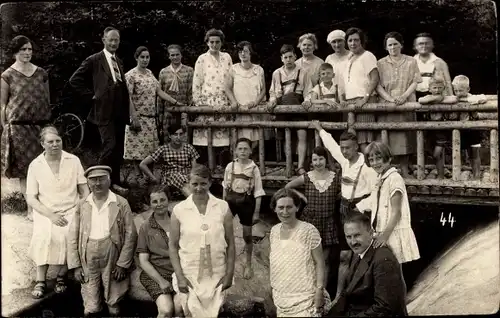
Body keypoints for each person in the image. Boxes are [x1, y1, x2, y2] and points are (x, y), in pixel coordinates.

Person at [312, 120, 377, 297]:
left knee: (355, 255)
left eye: (348, 148)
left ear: (356, 146)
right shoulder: (343, 159)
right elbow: (331, 146)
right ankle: (337, 296)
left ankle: (356, 293)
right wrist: (320, 129)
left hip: (359, 211)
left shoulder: (367, 167)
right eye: (343, 148)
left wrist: (361, 206)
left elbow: (376, 193)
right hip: (343, 209)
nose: (344, 151)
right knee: (343, 256)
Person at [26, 126, 90, 298]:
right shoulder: (35, 165)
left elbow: (85, 191)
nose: (55, 144)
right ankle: (41, 280)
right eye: (50, 142)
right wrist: (50, 215)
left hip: (71, 209)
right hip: (45, 211)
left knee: (67, 235)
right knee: (43, 235)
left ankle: (61, 277)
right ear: (42, 144)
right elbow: (31, 198)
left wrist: (78, 209)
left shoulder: (73, 160)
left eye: (58, 141)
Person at [67, 165, 138, 317]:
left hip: (112, 254)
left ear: (109, 181)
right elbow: (72, 235)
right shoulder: (82, 204)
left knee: (114, 297)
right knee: (91, 299)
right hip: (88, 255)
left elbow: (131, 234)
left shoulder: (120, 202)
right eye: (93, 180)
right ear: (88, 183)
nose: (97, 184)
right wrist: (76, 265)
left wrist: (122, 263)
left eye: (101, 179)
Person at [69, 26, 130, 196]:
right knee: (109, 145)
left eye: (116, 40)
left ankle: (114, 184)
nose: (113, 43)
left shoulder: (119, 61)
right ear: (103, 40)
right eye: (110, 40)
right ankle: (96, 182)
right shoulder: (94, 59)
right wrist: (91, 96)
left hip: (119, 112)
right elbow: (75, 80)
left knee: (118, 149)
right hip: (103, 112)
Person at [169, 164, 235, 317]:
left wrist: (229, 275)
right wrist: (180, 277)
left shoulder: (222, 207)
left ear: (210, 183)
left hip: (217, 274)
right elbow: (172, 246)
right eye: (195, 184)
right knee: (190, 311)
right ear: (188, 184)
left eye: (203, 183)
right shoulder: (179, 210)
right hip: (189, 274)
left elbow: (231, 244)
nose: (199, 188)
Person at [1, 35, 51, 221]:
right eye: (23, 49)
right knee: (26, 171)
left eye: (29, 49)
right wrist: (6, 128)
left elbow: (47, 100)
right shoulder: (7, 76)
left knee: (44, 167)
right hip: (19, 129)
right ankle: (31, 210)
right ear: (15, 52)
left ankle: (45, 206)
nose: (27, 53)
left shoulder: (42, 73)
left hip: (40, 127)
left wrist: (48, 125)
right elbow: (3, 105)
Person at [284, 146, 342, 297]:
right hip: (311, 222)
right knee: (309, 258)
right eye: (315, 159)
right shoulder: (307, 177)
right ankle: (308, 288)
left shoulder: (335, 178)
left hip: (328, 222)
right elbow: (288, 187)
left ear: (326, 160)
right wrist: (302, 197)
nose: (318, 163)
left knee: (326, 259)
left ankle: (323, 291)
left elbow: (343, 192)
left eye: (321, 159)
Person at [326, 213, 408, 316]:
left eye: (357, 235)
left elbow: (384, 308)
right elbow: (348, 293)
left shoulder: (383, 260)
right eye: (348, 237)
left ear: (370, 233)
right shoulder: (361, 250)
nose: (353, 242)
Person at [269, 188, 332, 317]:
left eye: (289, 207)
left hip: (305, 298)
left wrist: (319, 291)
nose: (285, 212)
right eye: (281, 207)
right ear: (274, 209)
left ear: (297, 208)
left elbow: (320, 262)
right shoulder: (274, 231)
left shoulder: (309, 231)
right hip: (281, 297)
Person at [358, 141, 420, 267]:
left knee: (394, 267)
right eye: (371, 160)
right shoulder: (381, 178)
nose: (375, 163)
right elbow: (375, 200)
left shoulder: (395, 179)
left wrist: (384, 236)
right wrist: (358, 207)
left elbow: (396, 212)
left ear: (388, 158)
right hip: (380, 230)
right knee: (386, 267)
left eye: (378, 158)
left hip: (391, 232)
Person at [124, 46, 180, 170]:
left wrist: (174, 101)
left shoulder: (149, 73)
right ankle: (138, 179)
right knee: (137, 153)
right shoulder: (131, 75)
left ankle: (149, 179)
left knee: (150, 151)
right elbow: (127, 98)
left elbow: (159, 91)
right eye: (142, 57)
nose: (145, 60)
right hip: (138, 117)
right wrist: (133, 117)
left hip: (150, 119)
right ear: (136, 58)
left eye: (147, 57)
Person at [376, 31, 422, 178]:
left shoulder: (411, 61)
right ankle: (387, 170)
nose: (393, 47)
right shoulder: (380, 63)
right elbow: (376, 85)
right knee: (387, 138)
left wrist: (404, 96)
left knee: (405, 138)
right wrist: (389, 99)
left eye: (395, 43)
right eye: (390, 44)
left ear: (401, 44)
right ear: (386, 47)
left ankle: (405, 170)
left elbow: (415, 81)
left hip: (406, 101)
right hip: (387, 104)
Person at [222, 137, 265, 279]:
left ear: (250, 151)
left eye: (245, 148)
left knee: (247, 235)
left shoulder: (253, 168)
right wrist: (222, 206)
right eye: (240, 148)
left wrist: (256, 213)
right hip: (231, 201)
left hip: (246, 202)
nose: (243, 151)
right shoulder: (230, 166)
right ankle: (226, 264)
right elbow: (224, 187)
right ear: (235, 151)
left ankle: (248, 264)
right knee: (224, 233)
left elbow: (258, 191)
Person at [267, 44, 313, 175]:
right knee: (286, 136)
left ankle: (300, 166)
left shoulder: (303, 72)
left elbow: (308, 90)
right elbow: (273, 92)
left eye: (290, 57)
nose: (288, 59)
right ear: (282, 59)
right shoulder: (277, 73)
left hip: (297, 104)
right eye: (285, 57)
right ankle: (289, 164)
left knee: (301, 134)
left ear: (295, 57)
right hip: (282, 105)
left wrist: (307, 100)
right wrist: (272, 101)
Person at [137, 185, 182, 318]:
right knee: (166, 310)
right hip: (157, 274)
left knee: (181, 308)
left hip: (180, 273)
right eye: (154, 201)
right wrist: (161, 281)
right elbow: (143, 261)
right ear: (149, 204)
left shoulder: (179, 221)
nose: (159, 204)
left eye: (162, 200)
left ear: (169, 200)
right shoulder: (146, 227)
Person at [192, 28, 233, 167]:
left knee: (222, 139)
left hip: (223, 101)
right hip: (207, 102)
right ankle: (207, 169)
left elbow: (231, 80)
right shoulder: (202, 59)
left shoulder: (227, 57)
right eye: (212, 42)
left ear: (221, 42)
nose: (214, 45)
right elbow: (196, 82)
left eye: (217, 42)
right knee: (207, 138)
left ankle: (221, 169)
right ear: (207, 43)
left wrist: (231, 100)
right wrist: (199, 104)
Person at [339, 27, 380, 153]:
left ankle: (370, 170)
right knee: (353, 139)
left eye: (356, 40)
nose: (353, 43)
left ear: (361, 41)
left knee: (364, 140)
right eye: (350, 40)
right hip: (350, 102)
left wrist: (365, 98)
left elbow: (375, 78)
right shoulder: (348, 59)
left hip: (364, 100)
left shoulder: (367, 56)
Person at [225, 41, 266, 149]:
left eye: (245, 51)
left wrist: (255, 103)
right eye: (240, 52)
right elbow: (227, 88)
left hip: (254, 109)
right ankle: (238, 161)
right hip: (240, 109)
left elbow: (263, 90)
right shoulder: (233, 69)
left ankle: (252, 161)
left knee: (256, 140)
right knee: (240, 140)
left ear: (250, 53)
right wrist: (234, 102)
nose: (243, 54)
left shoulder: (258, 69)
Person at [140, 124, 199, 198]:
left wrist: (192, 176)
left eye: (180, 134)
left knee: (196, 179)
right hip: (170, 178)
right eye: (175, 134)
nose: (178, 137)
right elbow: (142, 164)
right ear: (170, 136)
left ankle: (203, 199)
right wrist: (153, 178)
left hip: (187, 177)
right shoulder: (163, 149)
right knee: (177, 177)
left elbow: (195, 168)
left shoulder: (189, 148)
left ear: (183, 135)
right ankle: (194, 200)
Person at [451, 75, 487, 180]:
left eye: (461, 91)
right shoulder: (454, 99)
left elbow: (483, 98)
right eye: (456, 91)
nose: (458, 93)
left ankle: (476, 174)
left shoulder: (472, 98)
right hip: (460, 130)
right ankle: (459, 174)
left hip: (472, 129)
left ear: (468, 89)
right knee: (461, 153)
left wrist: (470, 101)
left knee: (474, 153)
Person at [418, 76, 449, 179]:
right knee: (431, 152)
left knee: (437, 154)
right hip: (430, 131)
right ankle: (440, 175)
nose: (437, 90)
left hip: (441, 131)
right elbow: (420, 100)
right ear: (429, 89)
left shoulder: (444, 97)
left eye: (440, 88)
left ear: (443, 88)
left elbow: (441, 98)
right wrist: (431, 99)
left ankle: (440, 173)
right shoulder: (428, 97)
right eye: (434, 88)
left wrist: (431, 99)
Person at [158, 44, 194, 132]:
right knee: (168, 139)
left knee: (184, 138)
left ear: (181, 55)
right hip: (168, 112)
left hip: (184, 111)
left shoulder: (189, 71)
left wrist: (190, 111)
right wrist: (160, 113)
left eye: (177, 54)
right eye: (172, 55)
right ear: (169, 57)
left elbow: (191, 92)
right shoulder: (163, 72)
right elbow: (160, 94)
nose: (175, 57)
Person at [302, 63, 341, 140]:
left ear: (333, 75)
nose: (326, 75)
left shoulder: (337, 87)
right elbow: (313, 100)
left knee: (335, 138)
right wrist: (326, 101)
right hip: (323, 116)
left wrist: (343, 102)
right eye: (323, 74)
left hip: (336, 117)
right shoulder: (317, 88)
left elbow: (341, 99)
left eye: (328, 73)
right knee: (323, 137)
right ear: (320, 76)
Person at [413, 33, 453, 101]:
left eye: (427, 43)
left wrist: (450, 98)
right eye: (421, 44)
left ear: (432, 45)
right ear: (415, 46)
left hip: (435, 97)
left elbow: (448, 83)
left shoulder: (440, 62)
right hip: (414, 96)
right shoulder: (410, 62)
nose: (424, 46)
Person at [325, 30, 350, 101]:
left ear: (344, 41)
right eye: (334, 42)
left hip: (350, 94)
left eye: (339, 41)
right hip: (333, 95)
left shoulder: (352, 55)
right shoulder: (329, 58)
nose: (337, 44)